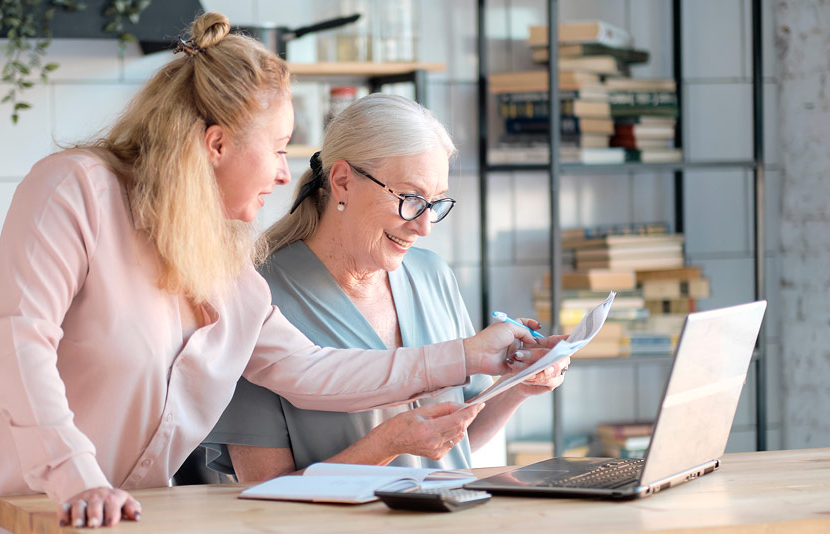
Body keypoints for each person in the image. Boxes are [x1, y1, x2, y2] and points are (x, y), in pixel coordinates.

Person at [0, 14, 541, 534]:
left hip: (98, 517)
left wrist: (467, 356)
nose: (289, 174)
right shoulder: (76, 190)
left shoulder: (228, 262)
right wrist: (78, 477)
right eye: (281, 147)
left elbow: (313, 371)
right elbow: (21, 346)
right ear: (217, 144)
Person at [204, 94, 569, 483]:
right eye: (411, 199)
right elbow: (264, 490)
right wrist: (386, 444)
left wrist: (518, 387)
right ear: (342, 181)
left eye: (436, 203)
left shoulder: (433, 275)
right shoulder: (258, 295)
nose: (424, 226)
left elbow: (454, 445)